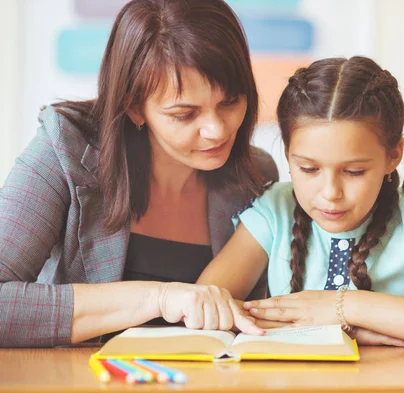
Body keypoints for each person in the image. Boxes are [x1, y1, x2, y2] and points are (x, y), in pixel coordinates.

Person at [0, 0, 276, 348]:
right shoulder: (65, 149)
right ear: (133, 106)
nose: (217, 131)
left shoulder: (255, 175)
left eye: (230, 102)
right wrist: (159, 298)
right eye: (184, 114)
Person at [198, 56, 404, 347]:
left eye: (354, 172)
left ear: (393, 155)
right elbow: (205, 303)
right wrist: (350, 331)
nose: (330, 192)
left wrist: (346, 307)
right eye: (309, 169)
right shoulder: (271, 210)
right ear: (288, 154)